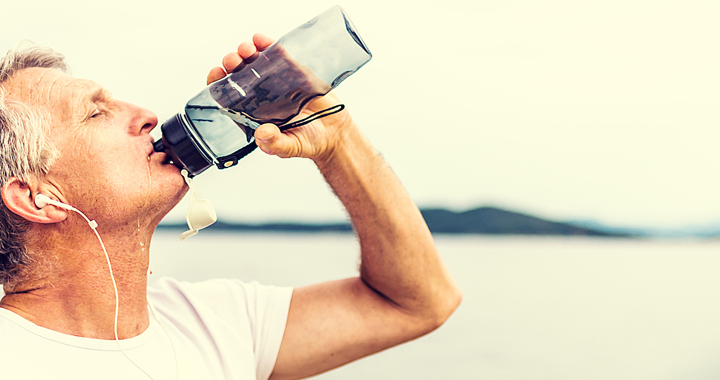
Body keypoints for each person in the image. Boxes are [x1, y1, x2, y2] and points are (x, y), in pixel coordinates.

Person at [0, 34, 462, 379]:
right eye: (96, 113)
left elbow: (419, 303)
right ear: (38, 197)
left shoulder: (215, 320)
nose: (146, 115)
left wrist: (337, 142)